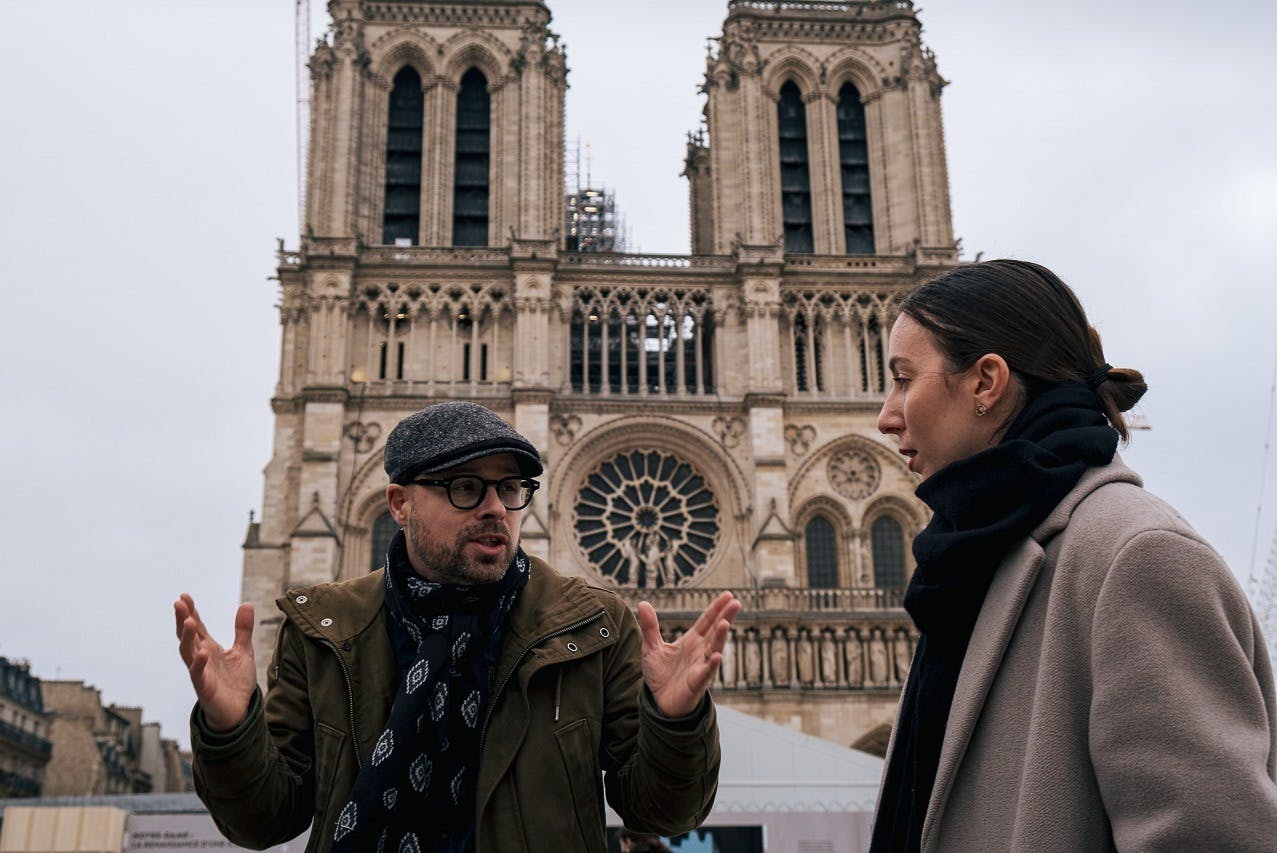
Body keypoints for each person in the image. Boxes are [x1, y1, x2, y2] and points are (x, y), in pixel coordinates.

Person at [175, 401, 741, 853]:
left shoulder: (594, 626)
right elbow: (264, 821)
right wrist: (231, 730)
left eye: (511, 488)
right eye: (466, 488)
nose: (496, 507)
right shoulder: (324, 631)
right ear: (399, 504)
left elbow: (662, 813)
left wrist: (674, 721)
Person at [870, 259, 1277, 851]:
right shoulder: (979, 562)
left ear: (986, 381)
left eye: (905, 379)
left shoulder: (1136, 557)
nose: (886, 415)